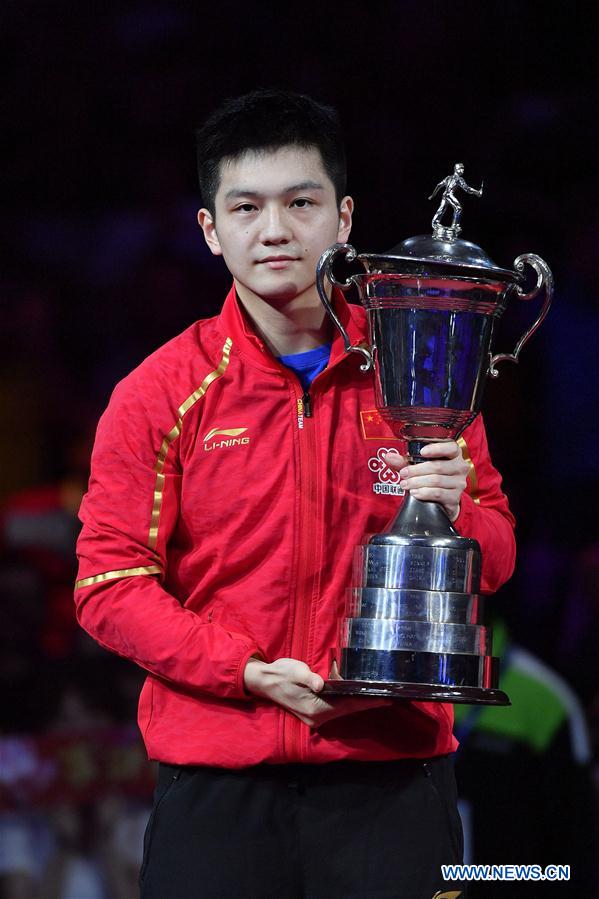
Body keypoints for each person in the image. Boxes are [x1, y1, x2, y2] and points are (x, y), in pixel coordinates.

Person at [74, 89, 516, 899]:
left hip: (395, 774)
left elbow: (494, 558)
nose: (273, 229)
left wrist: (456, 514)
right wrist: (244, 671)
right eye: (245, 207)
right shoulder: (157, 394)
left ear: (343, 218)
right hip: (216, 783)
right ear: (210, 230)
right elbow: (109, 586)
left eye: (299, 202)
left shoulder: (422, 365)